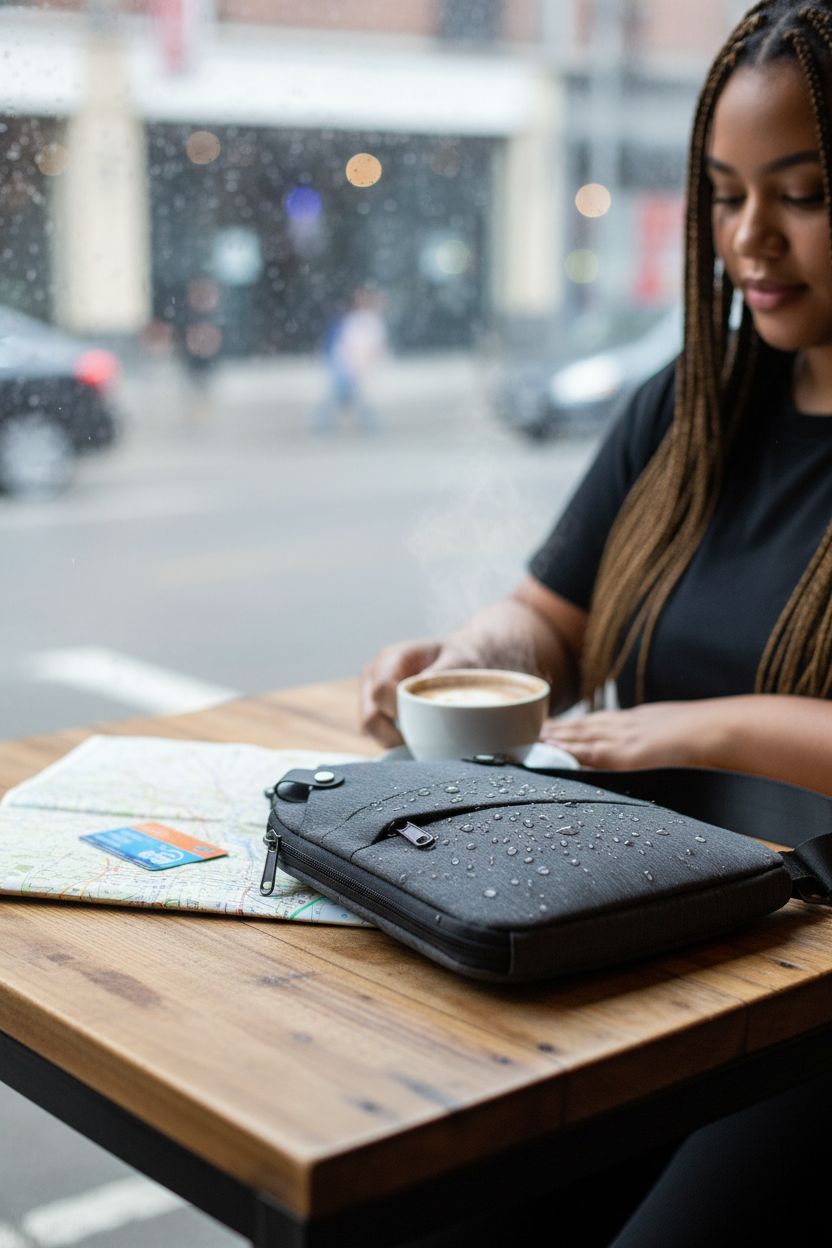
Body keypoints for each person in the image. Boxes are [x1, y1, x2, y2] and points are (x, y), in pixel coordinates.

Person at [361, 1, 832, 1241]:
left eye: (803, 193)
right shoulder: (681, 410)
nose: (750, 239)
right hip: (651, 927)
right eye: (724, 194)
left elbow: (692, 732)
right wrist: (477, 664)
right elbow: (545, 619)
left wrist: (696, 728)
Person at [313, 287, 387, 432]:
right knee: (344, 398)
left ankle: (322, 425)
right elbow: (350, 345)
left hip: (349, 366)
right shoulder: (360, 320)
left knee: (345, 398)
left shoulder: (367, 321)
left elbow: (371, 348)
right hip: (346, 366)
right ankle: (370, 426)